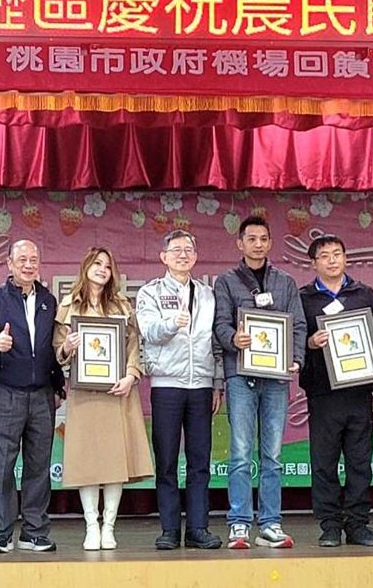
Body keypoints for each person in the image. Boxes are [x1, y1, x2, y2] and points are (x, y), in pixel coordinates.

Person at [213, 215, 306, 549]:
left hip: (277, 377)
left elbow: (298, 325)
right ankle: (239, 523)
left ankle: (270, 523)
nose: (257, 244)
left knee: (273, 454)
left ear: (270, 243)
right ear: (240, 243)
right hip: (241, 375)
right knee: (240, 452)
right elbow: (220, 324)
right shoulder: (226, 282)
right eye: (251, 239)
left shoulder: (285, 282)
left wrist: (297, 358)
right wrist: (232, 338)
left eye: (263, 239)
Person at [298, 235, 373, 547]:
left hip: (358, 392)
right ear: (313, 263)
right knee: (324, 461)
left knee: (359, 461)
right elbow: (292, 340)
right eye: (325, 256)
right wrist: (310, 342)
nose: (332, 260)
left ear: (345, 258)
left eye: (337, 254)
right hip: (323, 393)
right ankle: (329, 525)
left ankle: (357, 524)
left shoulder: (363, 293)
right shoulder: (304, 298)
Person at [53, 247, 153, 551]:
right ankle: (91, 525)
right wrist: (68, 348)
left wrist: (131, 375)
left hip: (117, 392)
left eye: (107, 267)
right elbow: (57, 351)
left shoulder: (122, 304)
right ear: (85, 267)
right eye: (97, 264)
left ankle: (109, 526)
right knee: (88, 462)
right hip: (84, 393)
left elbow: (134, 345)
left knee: (114, 462)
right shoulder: (68, 304)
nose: (102, 270)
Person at [0, 239, 63, 554]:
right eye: (22, 259)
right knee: (2, 466)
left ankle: (34, 532)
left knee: (39, 466)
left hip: (42, 394)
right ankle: (0, 533)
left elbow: (52, 346)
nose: (28, 264)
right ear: (9, 264)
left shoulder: (49, 300)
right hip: (5, 393)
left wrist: (58, 385)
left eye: (33, 259)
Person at [136, 230, 222, 551]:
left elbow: (216, 343)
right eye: (176, 250)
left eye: (188, 250)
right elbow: (149, 331)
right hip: (167, 386)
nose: (183, 255)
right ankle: (169, 529)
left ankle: (198, 528)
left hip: (201, 386)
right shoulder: (150, 292)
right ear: (164, 256)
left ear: (196, 257)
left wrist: (216, 383)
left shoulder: (208, 294)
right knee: (167, 460)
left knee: (200, 461)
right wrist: (173, 323)